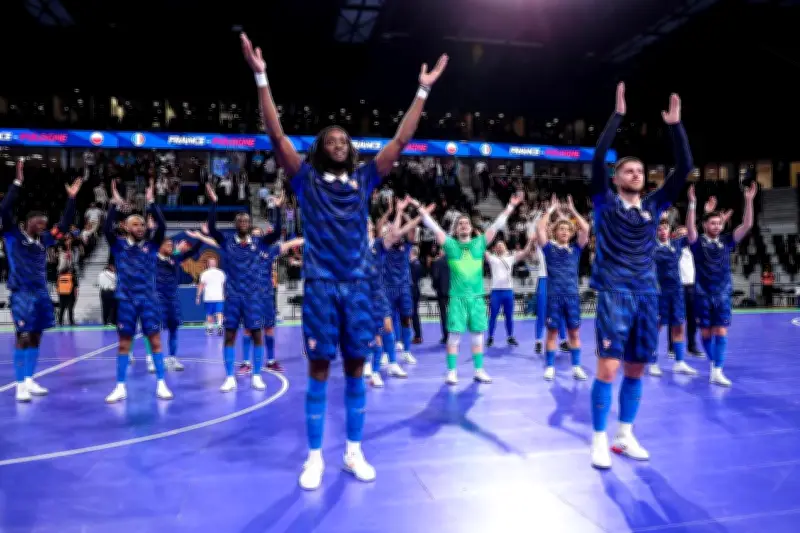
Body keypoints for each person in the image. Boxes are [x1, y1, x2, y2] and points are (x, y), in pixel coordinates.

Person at [241, 32, 447, 490]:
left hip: (358, 285)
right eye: (329, 137)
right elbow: (275, 134)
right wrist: (261, 76)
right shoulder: (304, 179)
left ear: (351, 148)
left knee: (356, 366)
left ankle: (353, 451)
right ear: (319, 148)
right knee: (318, 369)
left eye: (343, 137)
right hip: (319, 286)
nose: (337, 140)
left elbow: (402, 137)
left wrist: (422, 90)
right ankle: (314, 456)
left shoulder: (366, 177)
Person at [589, 83, 692, 469]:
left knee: (635, 368)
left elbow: (684, 169)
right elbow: (599, 156)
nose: (636, 173)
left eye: (640, 170)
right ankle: (599, 438)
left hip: (648, 293)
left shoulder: (654, 205)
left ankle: (624, 434)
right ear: (616, 178)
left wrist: (675, 127)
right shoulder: (604, 202)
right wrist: (617, 116)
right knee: (609, 366)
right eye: (628, 170)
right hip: (615, 291)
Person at [412, 192, 524, 385]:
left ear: (472, 229)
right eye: (460, 224)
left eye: (467, 223)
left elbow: (497, 225)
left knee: (478, 335)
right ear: (456, 230)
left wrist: (511, 207)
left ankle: (479, 370)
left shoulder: (479, 244)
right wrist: (421, 210)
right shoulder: (451, 245)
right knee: (454, 336)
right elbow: (434, 226)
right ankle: (452, 371)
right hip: (457, 299)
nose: (464, 225)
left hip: (477, 298)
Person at [2, 159, 81, 402]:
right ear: (28, 222)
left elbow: (65, 225)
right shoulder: (13, 235)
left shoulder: (44, 241)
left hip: (41, 293)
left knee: (36, 335)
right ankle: (19, 384)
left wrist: (71, 199)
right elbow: (4, 210)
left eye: (46, 223)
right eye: (40, 222)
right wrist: (17, 183)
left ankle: (29, 379)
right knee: (23, 335)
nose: (45, 225)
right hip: (21, 293)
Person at [204, 183, 281, 393]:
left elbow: (277, 234)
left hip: (253, 297)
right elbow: (211, 230)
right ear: (235, 224)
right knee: (229, 336)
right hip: (233, 297)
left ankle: (256, 375)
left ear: (250, 223)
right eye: (240, 220)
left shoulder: (259, 242)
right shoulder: (227, 241)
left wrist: (277, 209)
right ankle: (229, 377)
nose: (243, 222)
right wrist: (213, 204)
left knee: (257, 335)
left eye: (246, 220)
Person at [104, 180, 172, 403]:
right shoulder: (118, 245)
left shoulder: (151, 246)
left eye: (142, 225)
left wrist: (152, 202)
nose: (140, 228)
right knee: (124, 343)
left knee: (155, 341)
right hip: (126, 300)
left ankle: (161, 383)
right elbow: (106, 228)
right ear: (125, 227)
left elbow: (161, 227)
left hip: (149, 299)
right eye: (135, 224)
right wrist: (114, 204)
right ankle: (120, 386)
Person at [686, 182, 756, 387]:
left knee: (721, 332)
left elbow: (747, 225)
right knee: (706, 335)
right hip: (702, 294)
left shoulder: (727, 241)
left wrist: (749, 200)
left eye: (719, 223)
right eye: (713, 223)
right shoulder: (697, 243)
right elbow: (690, 228)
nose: (716, 226)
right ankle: (714, 363)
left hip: (723, 293)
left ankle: (717, 371)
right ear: (706, 225)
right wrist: (692, 204)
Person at [536, 195, 590, 381]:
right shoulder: (549, 249)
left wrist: (573, 211)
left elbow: (586, 228)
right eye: (561, 229)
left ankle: (576, 366)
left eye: (568, 229)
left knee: (574, 332)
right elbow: (539, 228)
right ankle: (550, 366)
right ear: (555, 232)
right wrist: (551, 210)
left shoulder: (576, 249)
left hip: (572, 296)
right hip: (554, 297)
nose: (565, 231)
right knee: (551, 332)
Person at [649, 221, 697, 376]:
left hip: (677, 291)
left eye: (665, 228)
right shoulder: (651, 246)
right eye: (659, 229)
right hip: (659, 292)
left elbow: (691, 234)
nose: (662, 231)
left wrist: (693, 207)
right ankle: (652, 362)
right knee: (656, 327)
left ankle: (680, 362)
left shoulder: (677, 244)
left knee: (678, 326)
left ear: (670, 231)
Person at [485, 236, 535, 347]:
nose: (500, 247)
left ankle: (510, 337)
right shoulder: (492, 258)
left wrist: (531, 240)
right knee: (493, 316)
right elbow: (482, 249)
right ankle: (490, 337)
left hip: (508, 292)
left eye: (502, 245)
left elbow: (526, 252)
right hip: (496, 292)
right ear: (494, 249)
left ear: (506, 247)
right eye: (498, 246)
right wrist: (480, 238)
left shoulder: (511, 258)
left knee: (509, 316)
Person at [196, 258, 226, 335]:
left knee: (209, 313)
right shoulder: (221, 273)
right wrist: (225, 295)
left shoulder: (204, 273)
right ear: (215, 264)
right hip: (219, 297)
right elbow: (224, 285)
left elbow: (201, 286)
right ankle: (219, 326)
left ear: (208, 264)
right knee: (219, 312)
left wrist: (198, 296)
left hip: (209, 298)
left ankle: (210, 329)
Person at [430, 247, 450, 344]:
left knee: (444, 315)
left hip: (442, 292)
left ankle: (446, 336)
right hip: (453, 291)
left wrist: (435, 287)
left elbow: (435, 277)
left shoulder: (438, 262)